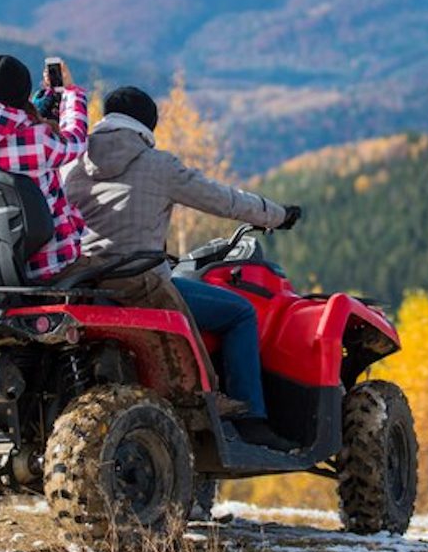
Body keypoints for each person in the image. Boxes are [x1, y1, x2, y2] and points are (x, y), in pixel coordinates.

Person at [63, 86, 302, 451]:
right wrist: (277, 214)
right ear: (147, 126)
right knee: (239, 313)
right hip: (140, 282)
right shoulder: (158, 165)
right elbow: (223, 200)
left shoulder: (72, 164)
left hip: (87, 284)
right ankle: (250, 419)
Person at [0, 54, 90, 283]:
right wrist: (71, 93)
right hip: (53, 268)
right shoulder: (39, 141)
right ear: (22, 92)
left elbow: (8, 128)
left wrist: (39, 111)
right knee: (124, 282)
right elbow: (76, 140)